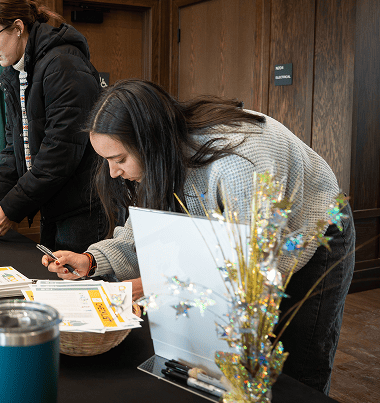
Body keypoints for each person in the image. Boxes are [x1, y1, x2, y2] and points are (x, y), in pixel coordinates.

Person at [43, 79, 355, 394]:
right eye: (106, 160)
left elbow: (250, 274)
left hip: (312, 233)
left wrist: (150, 286)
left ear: (150, 140)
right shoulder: (159, 158)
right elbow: (145, 233)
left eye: (120, 159)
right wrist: (91, 259)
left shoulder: (237, 164)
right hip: (243, 248)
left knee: (297, 366)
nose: (112, 172)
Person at [0, 0, 105, 252]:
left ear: (18, 27)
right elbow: (14, 149)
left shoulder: (62, 64)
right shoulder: (15, 73)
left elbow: (59, 152)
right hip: (53, 200)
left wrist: (10, 208)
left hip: (81, 206)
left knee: (75, 286)